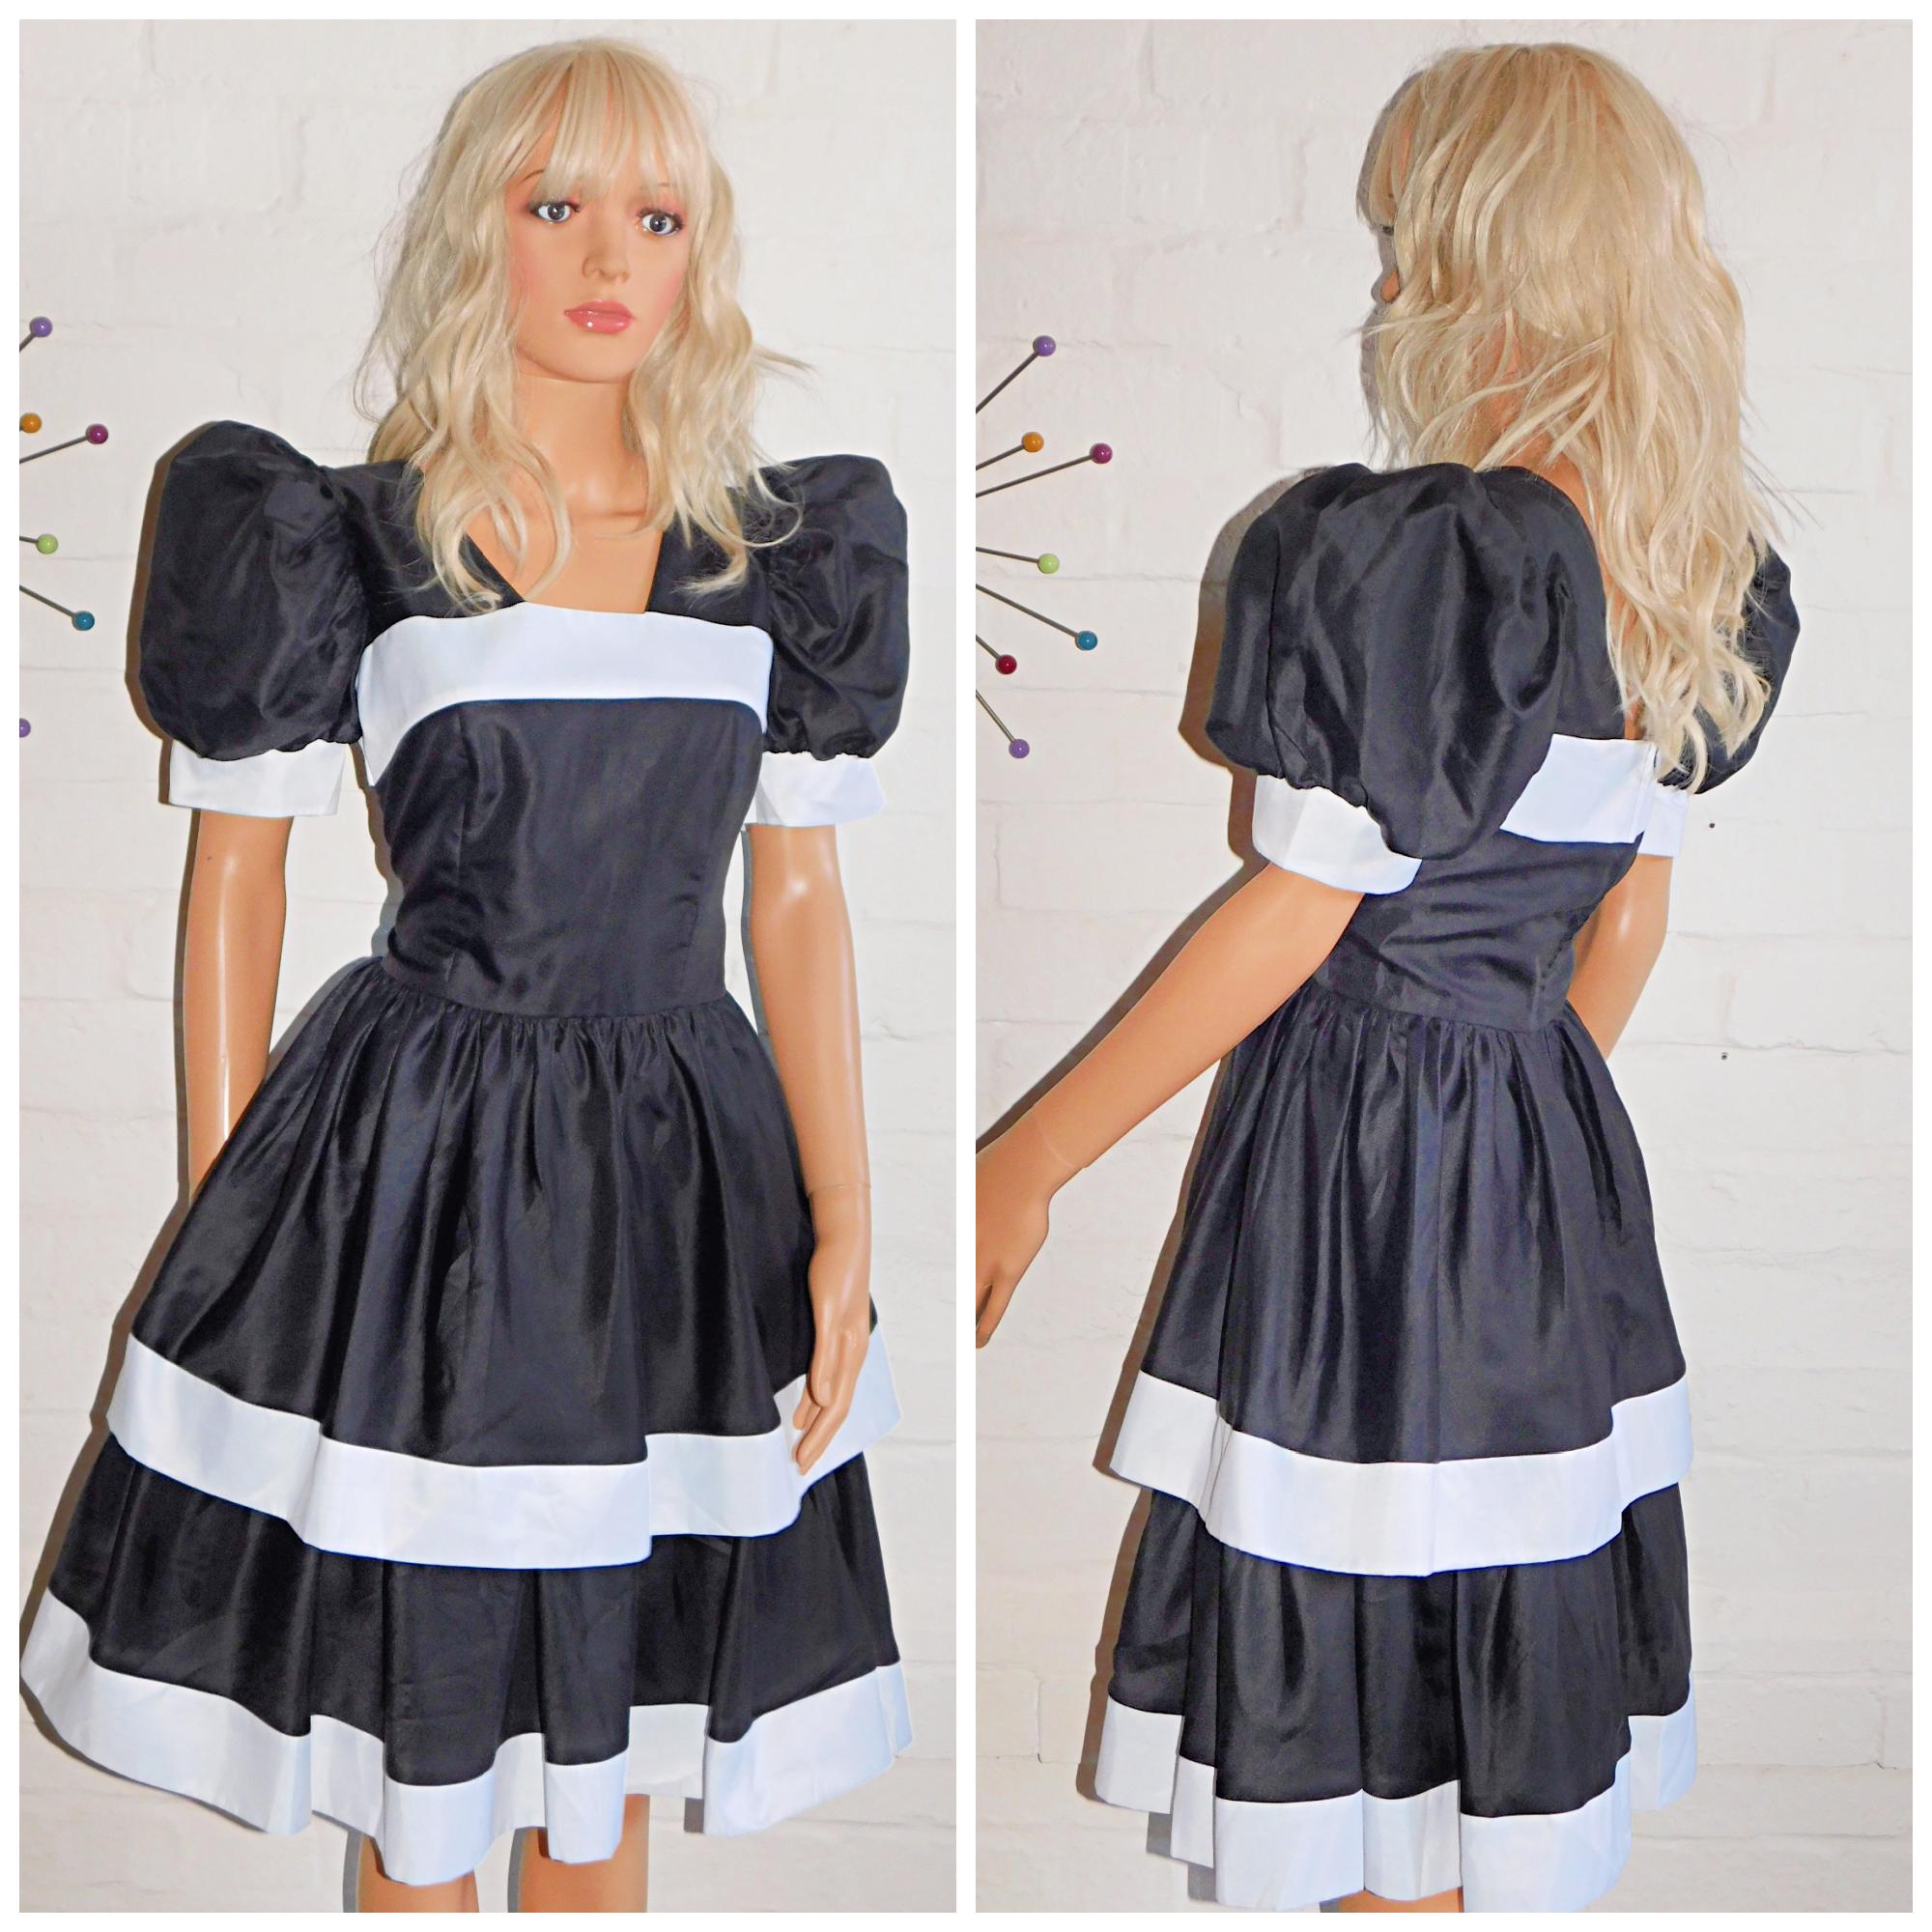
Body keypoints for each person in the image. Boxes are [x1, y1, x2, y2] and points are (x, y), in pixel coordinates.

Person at [23, 38, 912, 1912]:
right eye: (555, 204)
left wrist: (848, 1213)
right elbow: (235, 880)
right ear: (476, 232)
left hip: (680, 1175)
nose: (607, 255)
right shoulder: (347, 539)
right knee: (419, 1748)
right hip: (419, 1171)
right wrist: (228, 1222)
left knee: (610, 1754)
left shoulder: (770, 556)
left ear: (699, 251)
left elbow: (800, 901)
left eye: (655, 216)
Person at [976, 42, 1799, 1914]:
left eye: (1412, 232)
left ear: (1508, 252)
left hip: (1365, 1163)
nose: (1388, 276)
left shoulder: (1433, 554)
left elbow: (1292, 917)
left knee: (1359, 1691)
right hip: (1541, 1179)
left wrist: (1026, 1160)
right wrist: (1508, 1127)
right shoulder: (1692, 569)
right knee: (1467, 1662)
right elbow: (1628, 923)